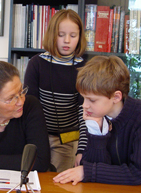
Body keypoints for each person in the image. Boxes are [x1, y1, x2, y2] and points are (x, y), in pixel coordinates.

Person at [53, 55, 141, 185]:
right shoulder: (99, 113)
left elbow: (138, 174)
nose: (84, 105)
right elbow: (96, 166)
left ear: (116, 97)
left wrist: (87, 171)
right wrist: (96, 132)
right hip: (119, 187)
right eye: (83, 98)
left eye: (91, 100)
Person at [24, 9, 87, 172]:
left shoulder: (84, 68)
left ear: (80, 37)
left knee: (59, 183)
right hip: (38, 137)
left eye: (73, 36)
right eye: (61, 35)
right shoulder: (36, 63)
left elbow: (85, 112)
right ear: (52, 34)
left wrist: (81, 148)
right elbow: (30, 105)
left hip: (67, 139)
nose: (67, 41)